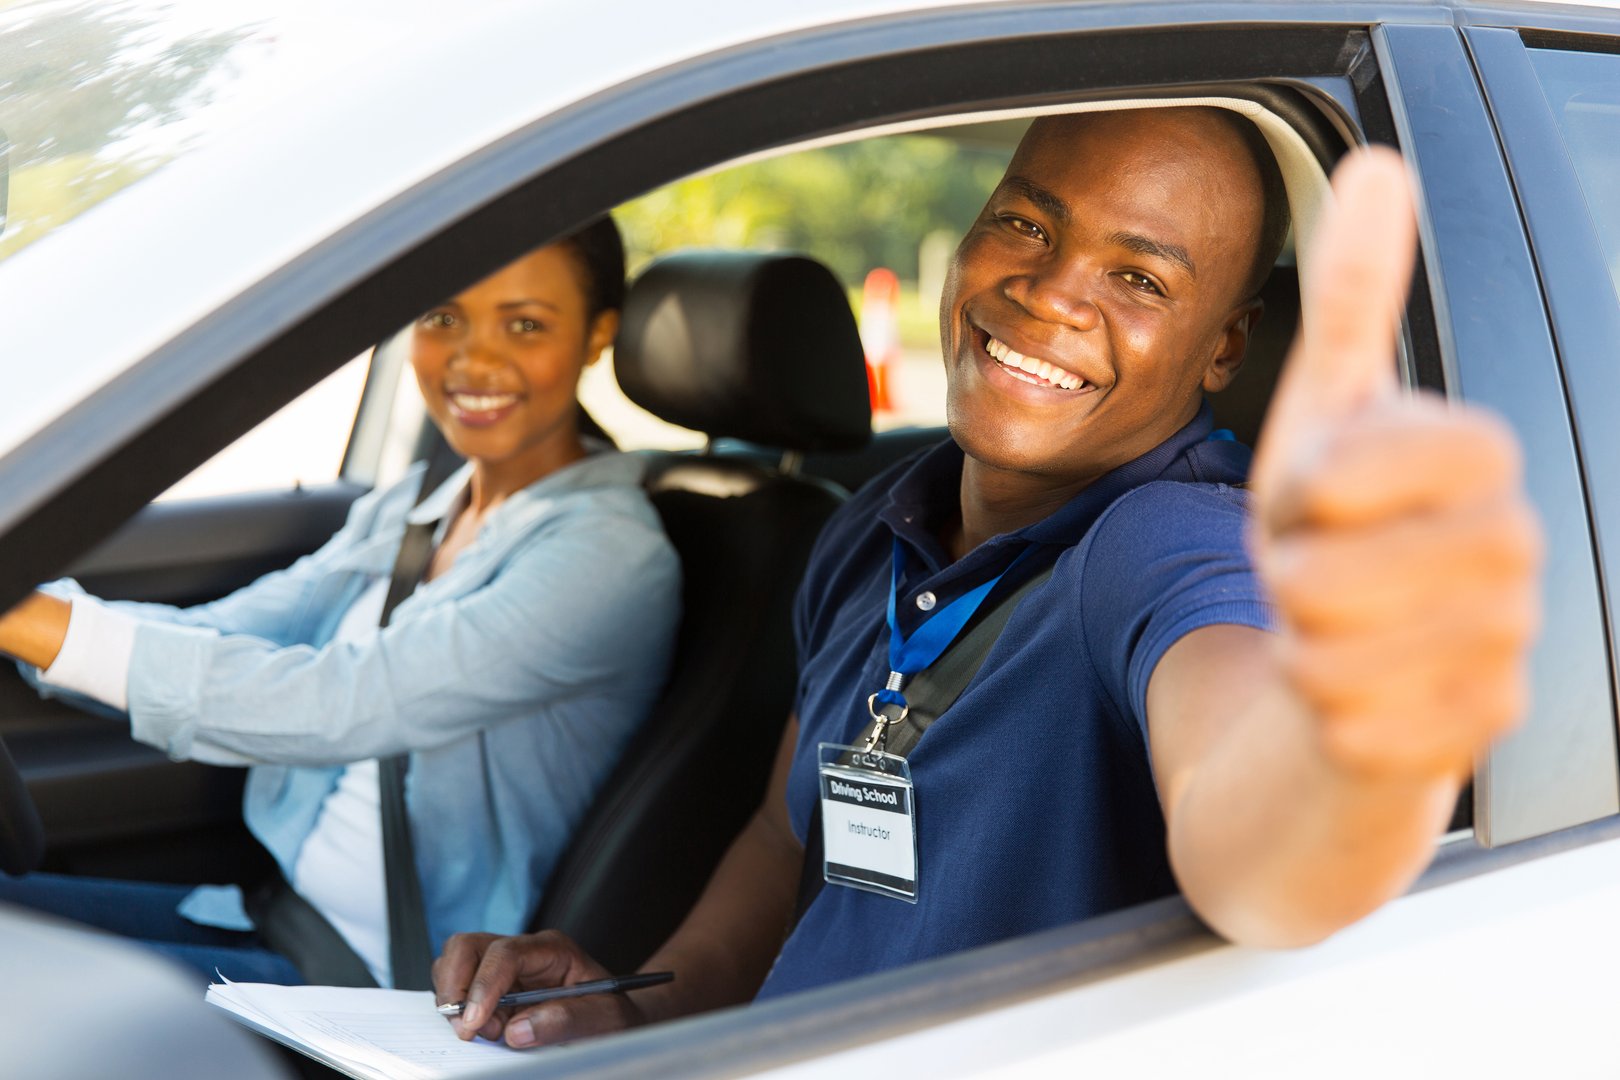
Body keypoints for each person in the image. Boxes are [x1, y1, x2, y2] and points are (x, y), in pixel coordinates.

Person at [433, 108, 1540, 1047]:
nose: (1049, 292)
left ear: (1224, 347)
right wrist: (627, 1012)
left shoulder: (1171, 547)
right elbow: (787, 843)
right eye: (1024, 221)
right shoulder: (875, 524)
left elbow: (1255, 832)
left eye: (1140, 276)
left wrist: (1353, 745)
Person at [0, 215, 682, 988]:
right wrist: (28, 612)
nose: (474, 358)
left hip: (393, 994)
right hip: (273, 918)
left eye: (525, 324)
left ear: (598, 336)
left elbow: (341, 702)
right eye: (441, 317)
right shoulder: (417, 506)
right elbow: (225, 630)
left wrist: (24, 620)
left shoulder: (608, 558)